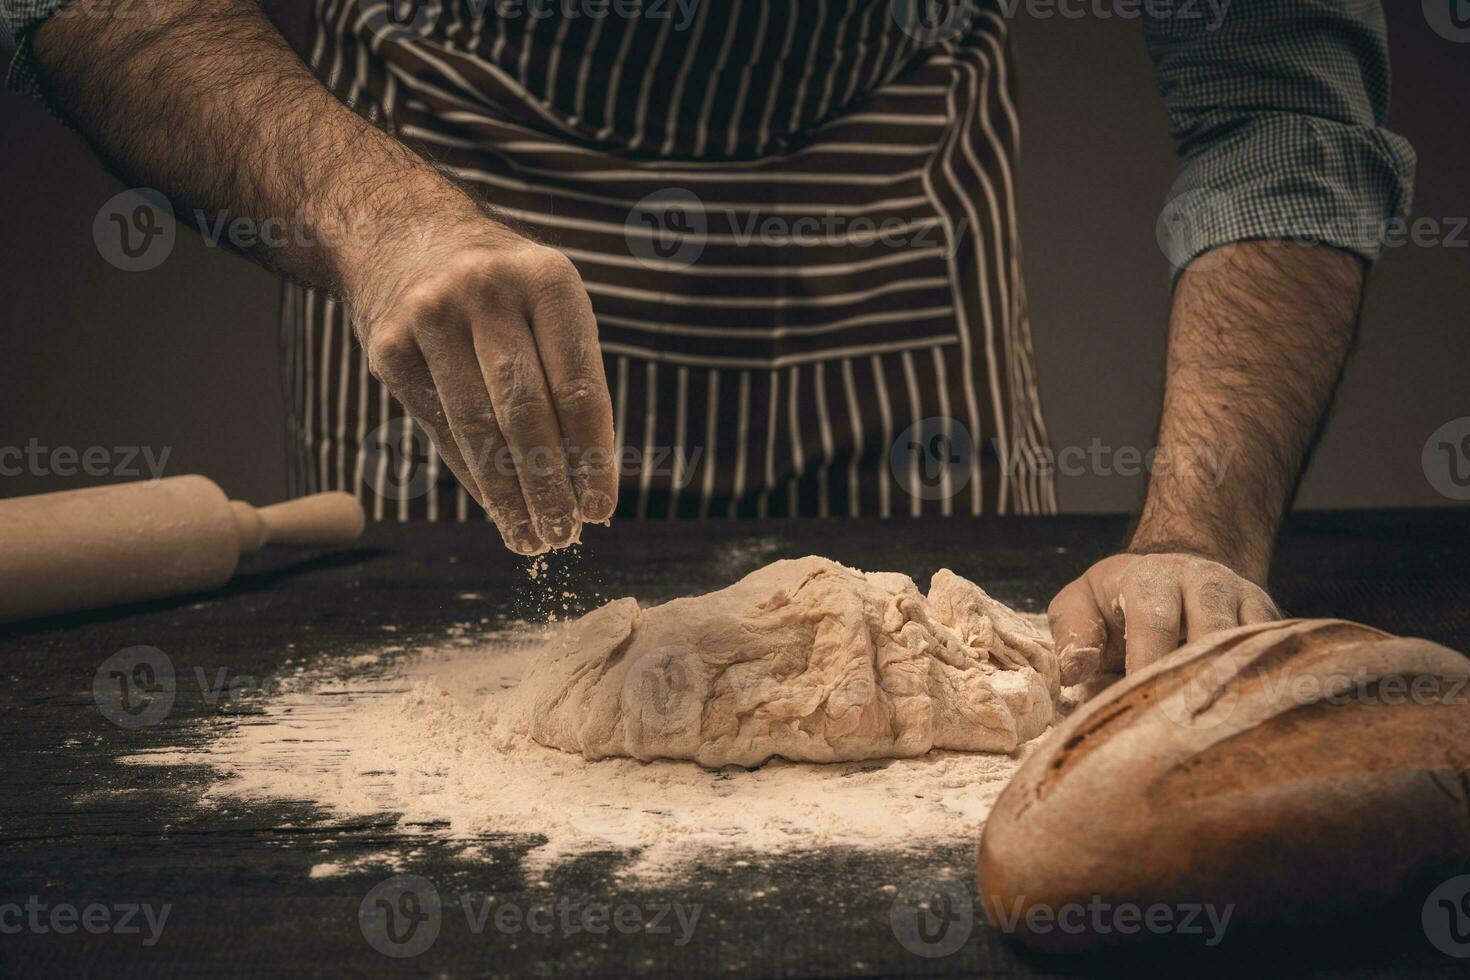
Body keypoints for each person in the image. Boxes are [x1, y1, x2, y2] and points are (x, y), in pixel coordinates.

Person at [4, 0, 1414, 684]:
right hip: (445, 215)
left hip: (882, 244)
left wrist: (1199, 539)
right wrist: (370, 215)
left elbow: (1275, 103)